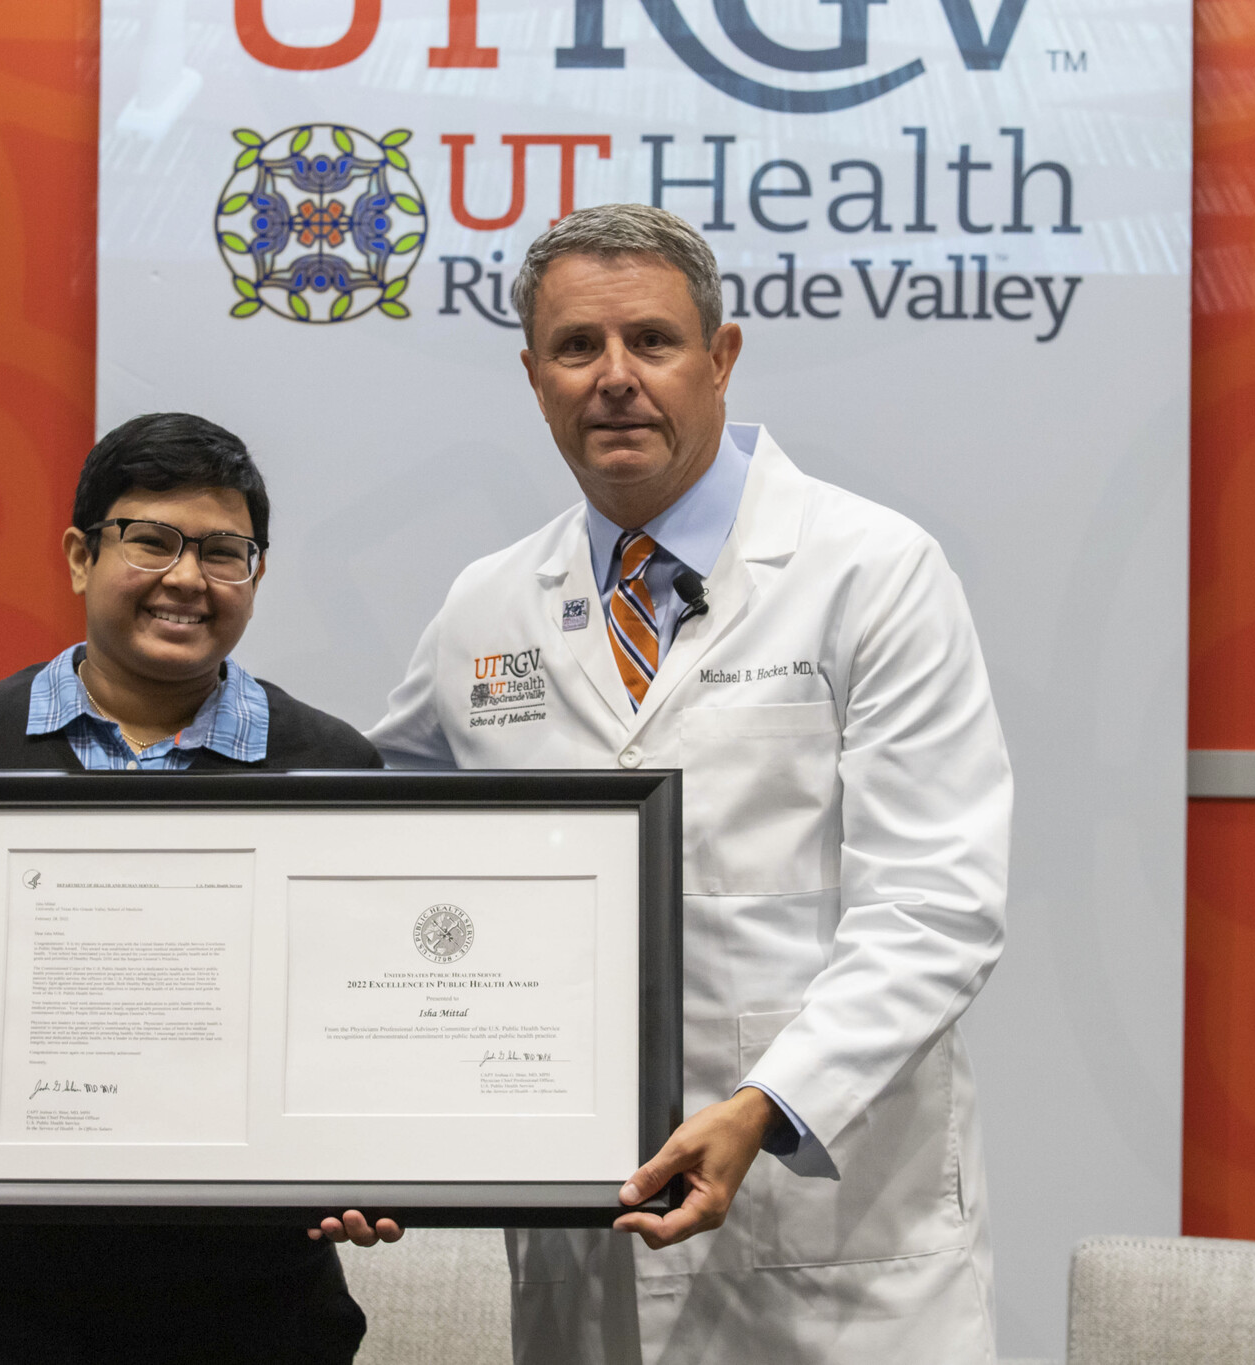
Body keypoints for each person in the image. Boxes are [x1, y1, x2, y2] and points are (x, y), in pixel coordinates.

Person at [367, 205, 1013, 1363]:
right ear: (531, 376)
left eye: (651, 342)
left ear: (719, 358)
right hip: (584, 1240)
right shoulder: (488, 606)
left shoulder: (872, 571)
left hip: (833, 1243)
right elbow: (359, 845)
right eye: (575, 349)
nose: (613, 379)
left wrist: (764, 1105)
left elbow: (935, 903)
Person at [0, 413, 401, 1365]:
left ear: (256, 574)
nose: (186, 577)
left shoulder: (332, 767)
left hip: (242, 1304)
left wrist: (381, 1154)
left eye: (224, 552)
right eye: (150, 540)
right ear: (80, 555)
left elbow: (375, 1012)